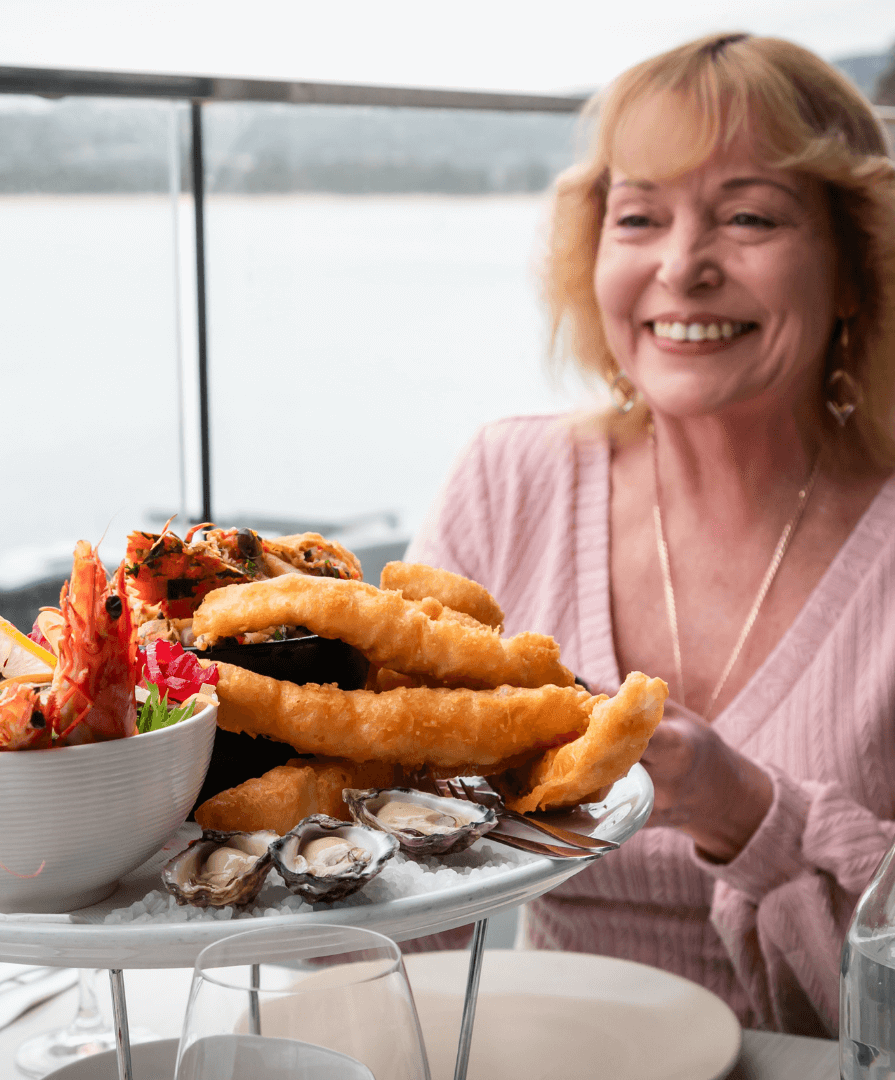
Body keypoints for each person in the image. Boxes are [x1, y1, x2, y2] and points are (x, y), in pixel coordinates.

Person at [408, 33, 895, 1035]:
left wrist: (750, 814)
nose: (682, 268)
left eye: (748, 216)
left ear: (854, 266)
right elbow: (397, 880)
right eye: (639, 217)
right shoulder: (508, 480)